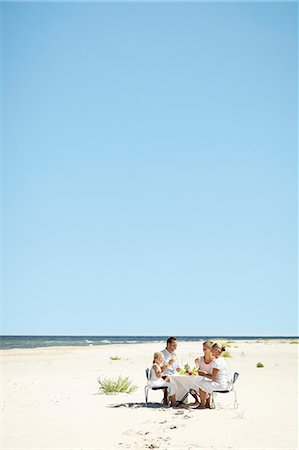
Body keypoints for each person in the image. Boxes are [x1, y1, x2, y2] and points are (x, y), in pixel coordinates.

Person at [197, 342, 231, 408]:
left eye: (212, 349)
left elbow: (213, 378)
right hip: (227, 384)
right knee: (206, 383)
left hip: (221, 385)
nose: (211, 351)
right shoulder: (222, 360)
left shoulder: (216, 362)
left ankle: (202, 405)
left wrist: (204, 374)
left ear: (216, 350)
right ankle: (207, 403)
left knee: (201, 384)